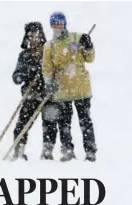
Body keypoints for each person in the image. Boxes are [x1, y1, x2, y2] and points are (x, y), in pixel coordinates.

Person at [42, 11, 97, 162]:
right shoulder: (49, 46)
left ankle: (90, 151)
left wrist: (88, 46)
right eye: (54, 24)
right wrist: (49, 83)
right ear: (51, 26)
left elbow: (90, 58)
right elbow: (47, 69)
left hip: (81, 87)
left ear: (64, 24)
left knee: (85, 120)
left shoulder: (77, 38)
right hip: (62, 89)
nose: (57, 27)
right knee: (64, 123)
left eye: (60, 23)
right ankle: (67, 150)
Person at [11, 21, 52, 161]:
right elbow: (16, 76)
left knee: (49, 124)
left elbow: (57, 72)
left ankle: (47, 152)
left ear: (40, 35)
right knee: (21, 125)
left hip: (47, 95)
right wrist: (22, 75)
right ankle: (18, 152)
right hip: (30, 95)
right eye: (30, 36)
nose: (33, 39)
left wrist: (52, 84)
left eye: (35, 35)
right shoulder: (24, 55)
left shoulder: (49, 52)